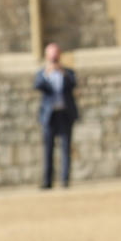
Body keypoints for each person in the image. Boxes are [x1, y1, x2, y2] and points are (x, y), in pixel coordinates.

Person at [34, 42, 79, 189]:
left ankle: (65, 180)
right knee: (48, 149)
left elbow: (74, 83)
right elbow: (37, 85)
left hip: (65, 114)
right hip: (49, 115)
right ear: (47, 56)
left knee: (66, 147)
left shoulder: (67, 72)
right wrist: (48, 73)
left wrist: (62, 72)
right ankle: (47, 181)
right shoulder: (42, 73)